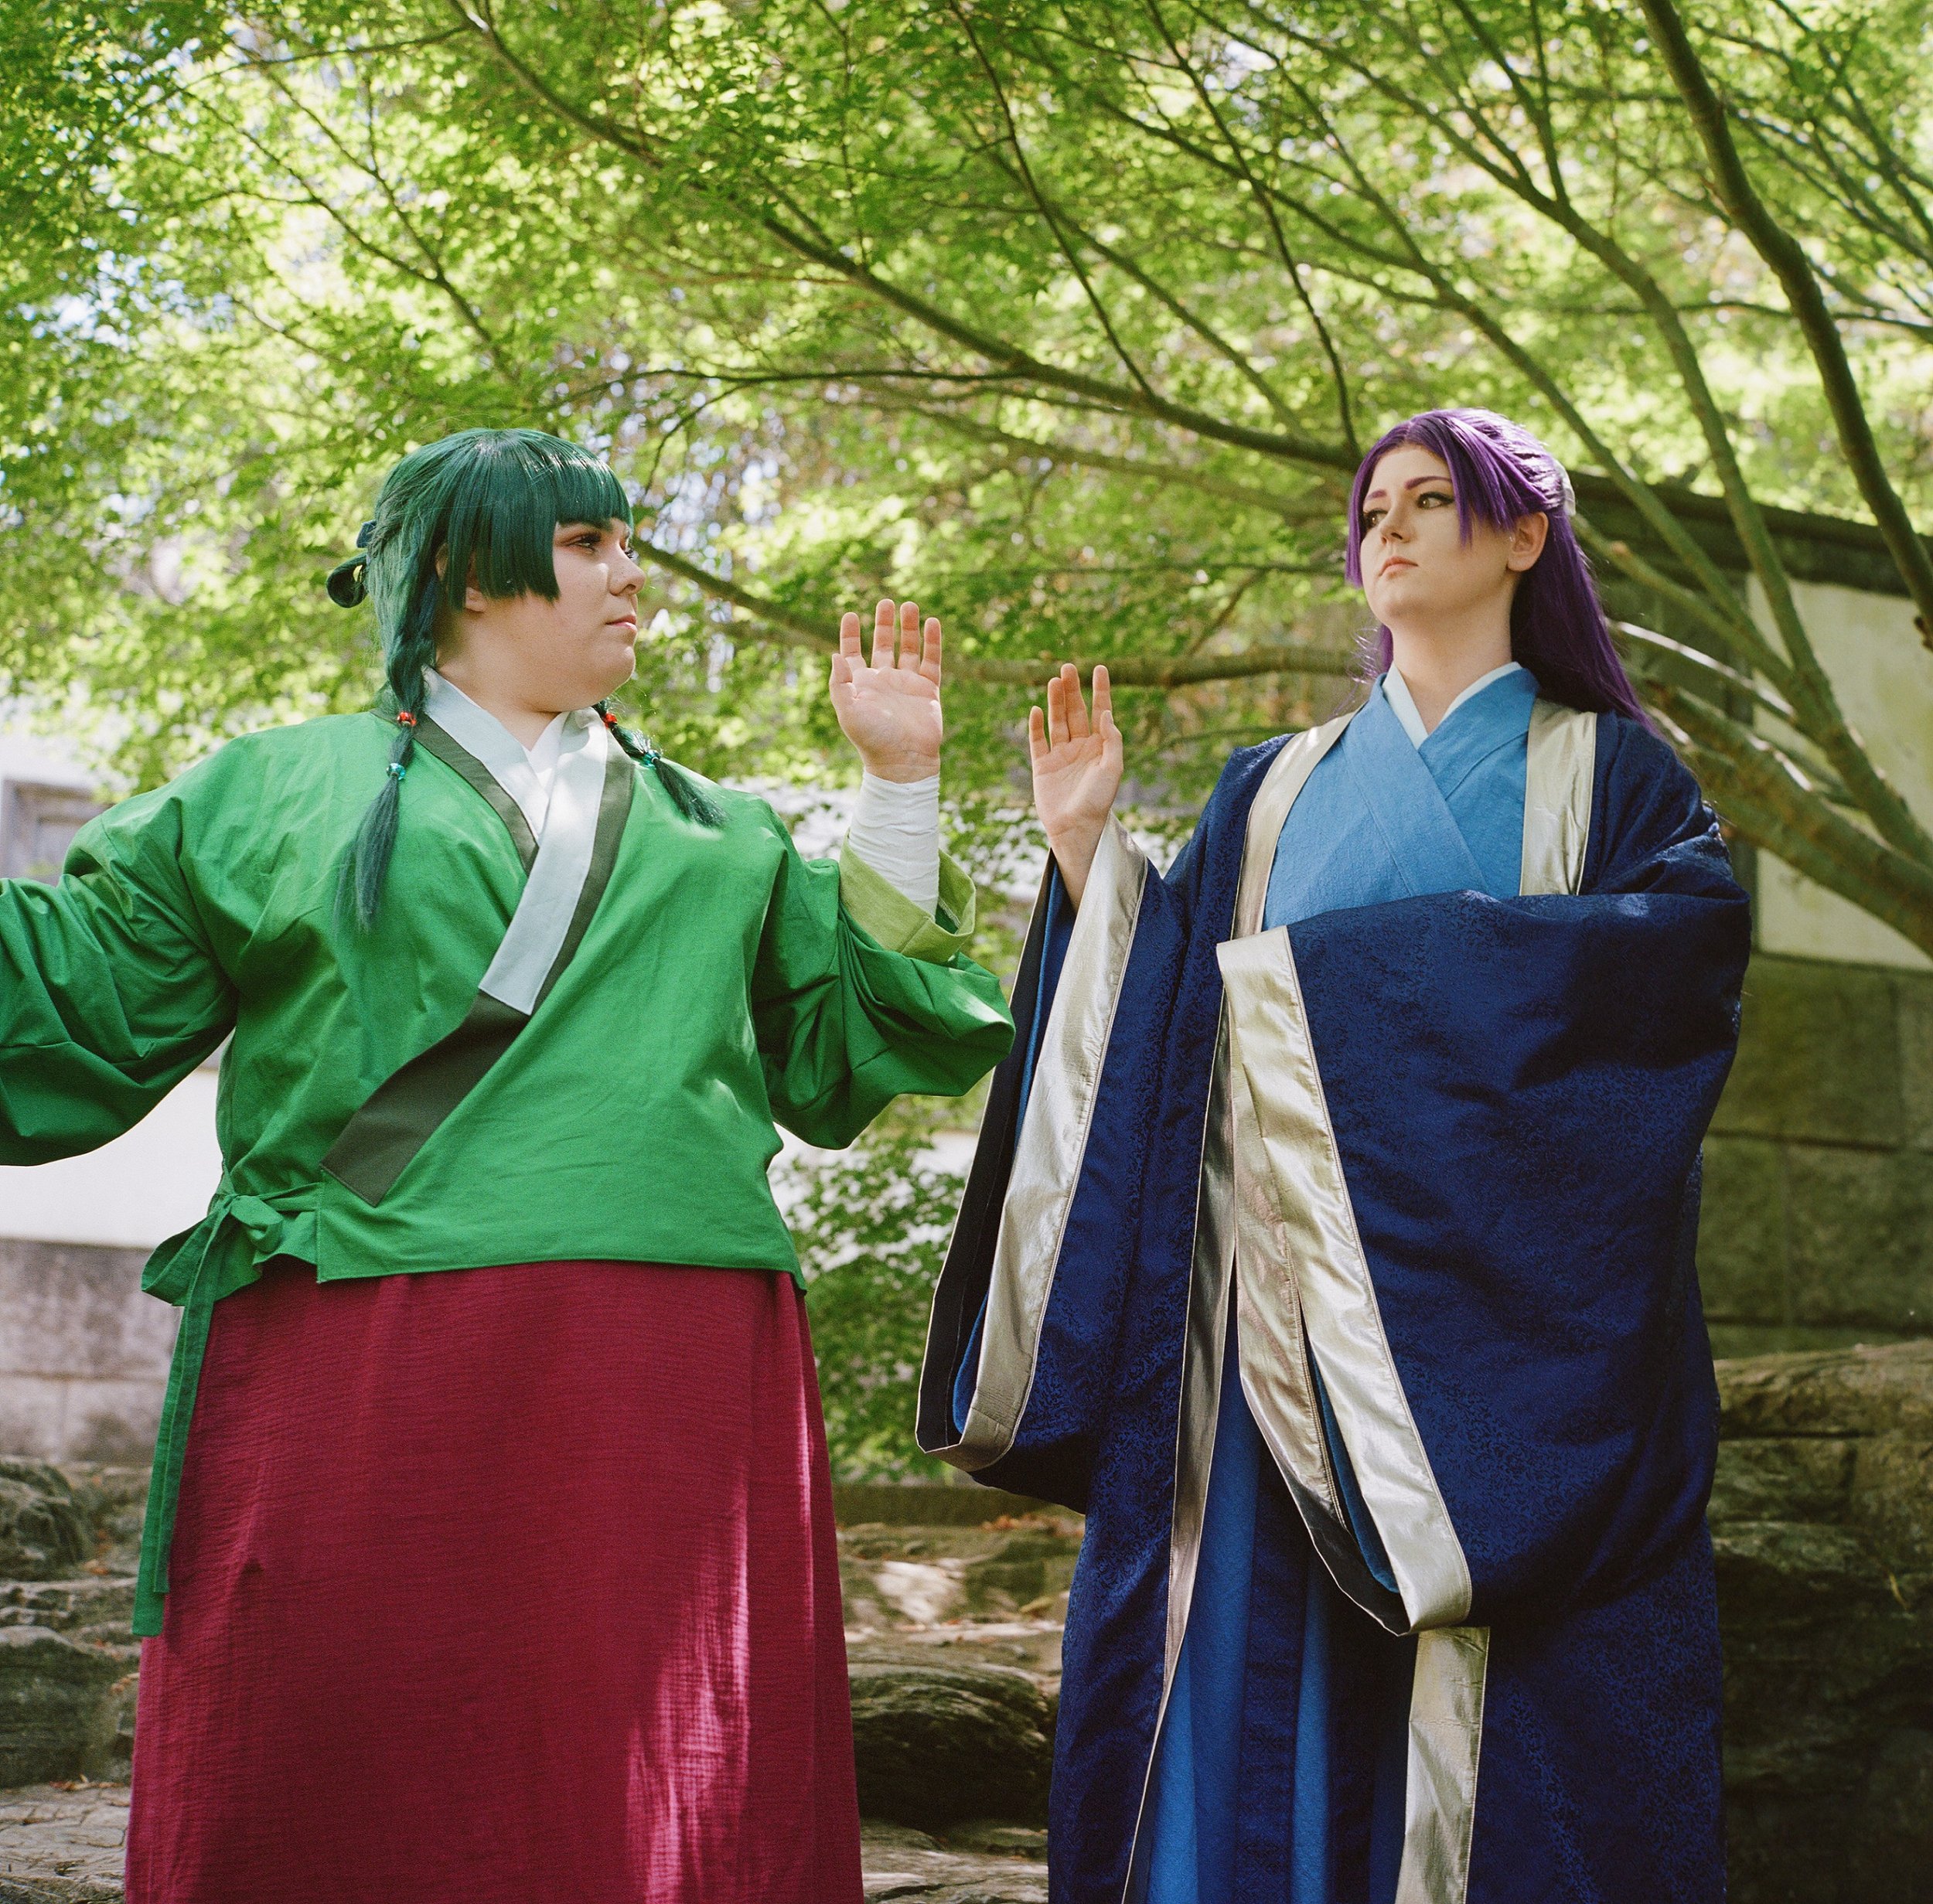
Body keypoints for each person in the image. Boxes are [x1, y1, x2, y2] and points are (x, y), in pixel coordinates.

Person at [0, 427, 1013, 1904]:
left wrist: (903, 782)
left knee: (659, 1745)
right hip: (360, 1327)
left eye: (629, 544)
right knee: (346, 1732)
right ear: (475, 569)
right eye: (593, 544)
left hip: (669, 1346)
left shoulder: (718, 834)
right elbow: (73, 996)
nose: (632, 578)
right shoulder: (267, 794)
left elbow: (862, 1037)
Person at [921, 409, 1748, 1903]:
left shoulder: (1617, 784)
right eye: (1374, 510)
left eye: (1436, 501)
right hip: (1259, 1355)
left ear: (1522, 536)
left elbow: (1664, 984)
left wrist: (1327, 999)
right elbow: (1178, 1038)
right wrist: (1092, 863)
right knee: (1238, 1695)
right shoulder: (1269, 789)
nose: (1393, 529)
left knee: (1499, 1728)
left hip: (1500, 1374)